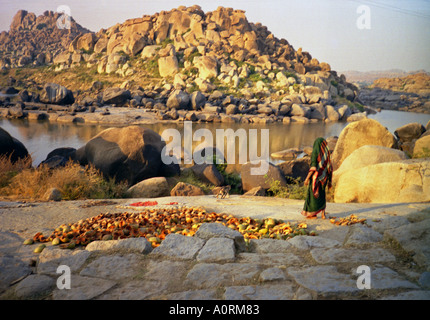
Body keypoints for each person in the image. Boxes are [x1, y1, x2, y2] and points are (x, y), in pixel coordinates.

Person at [301, 137, 333, 219]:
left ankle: (313, 214)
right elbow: (330, 168)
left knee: (313, 196)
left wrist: (307, 179)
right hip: (324, 178)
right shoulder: (327, 154)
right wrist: (330, 181)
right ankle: (323, 214)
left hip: (316, 178)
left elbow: (313, 168)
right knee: (322, 195)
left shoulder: (316, 153)